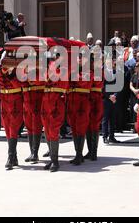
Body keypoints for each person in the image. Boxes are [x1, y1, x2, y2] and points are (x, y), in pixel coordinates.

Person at [0, 52, 24, 170]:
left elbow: (21, 85)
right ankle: (14, 157)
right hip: (4, 101)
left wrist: (10, 75)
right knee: (7, 129)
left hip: (15, 101)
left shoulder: (17, 71)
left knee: (13, 128)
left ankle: (10, 157)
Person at [41, 39, 71, 172]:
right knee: (47, 131)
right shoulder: (48, 68)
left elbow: (59, 78)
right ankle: (52, 159)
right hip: (46, 101)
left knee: (53, 131)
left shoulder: (64, 68)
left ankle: (55, 161)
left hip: (56, 101)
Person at [67, 45, 92, 166]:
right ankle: (78, 153)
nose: (79, 60)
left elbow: (84, 81)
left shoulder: (89, 70)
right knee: (74, 128)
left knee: (81, 128)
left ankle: (79, 154)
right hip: (71, 101)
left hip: (82, 102)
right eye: (77, 58)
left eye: (81, 58)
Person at [19, 62, 45, 164]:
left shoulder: (40, 70)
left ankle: (35, 153)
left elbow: (40, 81)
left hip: (37, 103)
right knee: (29, 128)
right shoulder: (23, 71)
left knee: (37, 127)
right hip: (27, 103)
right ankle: (32, 153)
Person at [85, 52, 104, 161]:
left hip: (95, 99)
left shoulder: (97, 72)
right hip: (89, 98)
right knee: (88, 126)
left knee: (94, 126)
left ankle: (94, 152)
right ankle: (90, 151)